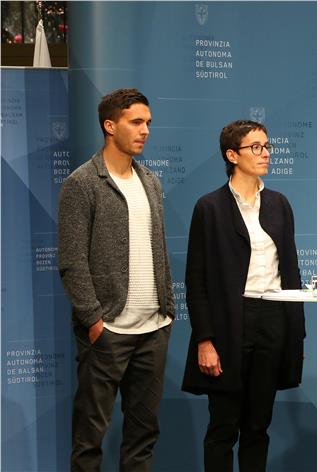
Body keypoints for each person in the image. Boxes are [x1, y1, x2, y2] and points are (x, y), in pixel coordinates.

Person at [58, 88, 174, 471]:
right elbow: (72, 260)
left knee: (143, 437)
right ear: (110, 126)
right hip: (107, 331)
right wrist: (94, 320)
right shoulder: (82, 183)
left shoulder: (151, 182)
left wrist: (167, 312)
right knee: (89, 439)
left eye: (148, 123)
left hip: (153, 330)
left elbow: (159, 250)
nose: (145, 131)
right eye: (136, 122)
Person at [180, 119, 305, 471]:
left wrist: (297, 334)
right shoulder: (209, 207)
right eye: (255, 147)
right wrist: (205, 339)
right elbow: (196, 279)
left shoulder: (279, 204)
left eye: (267, 146)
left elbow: (291, 271)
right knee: (223, 427)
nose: (265, 153)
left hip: (273, 319)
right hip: (229, 324)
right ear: (232, 155)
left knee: (257, 427)